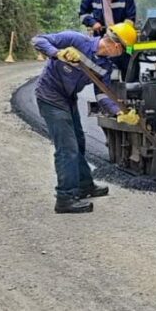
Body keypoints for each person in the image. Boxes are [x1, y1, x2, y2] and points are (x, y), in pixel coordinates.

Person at [31, 22, 139, 213]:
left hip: (68, 99)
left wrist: (119, 112)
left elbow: (102, 94)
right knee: (67, 148)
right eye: (123, 50)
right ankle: (65, 197)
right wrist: (58, 53)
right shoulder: (75, 40)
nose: (122, 54)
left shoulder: (105, 66)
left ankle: (84, 185)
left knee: (78, 142)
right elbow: (38, 40)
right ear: (116, 46)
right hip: (50, 97)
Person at [79, 0, 137, 75]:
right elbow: (83, 15)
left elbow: (130, 17)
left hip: (123, 39)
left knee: (129, 64)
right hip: (101, 39)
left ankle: (131, 87)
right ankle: (104, 90)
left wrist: (123, 32)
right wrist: (92, 23)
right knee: (102, 69)